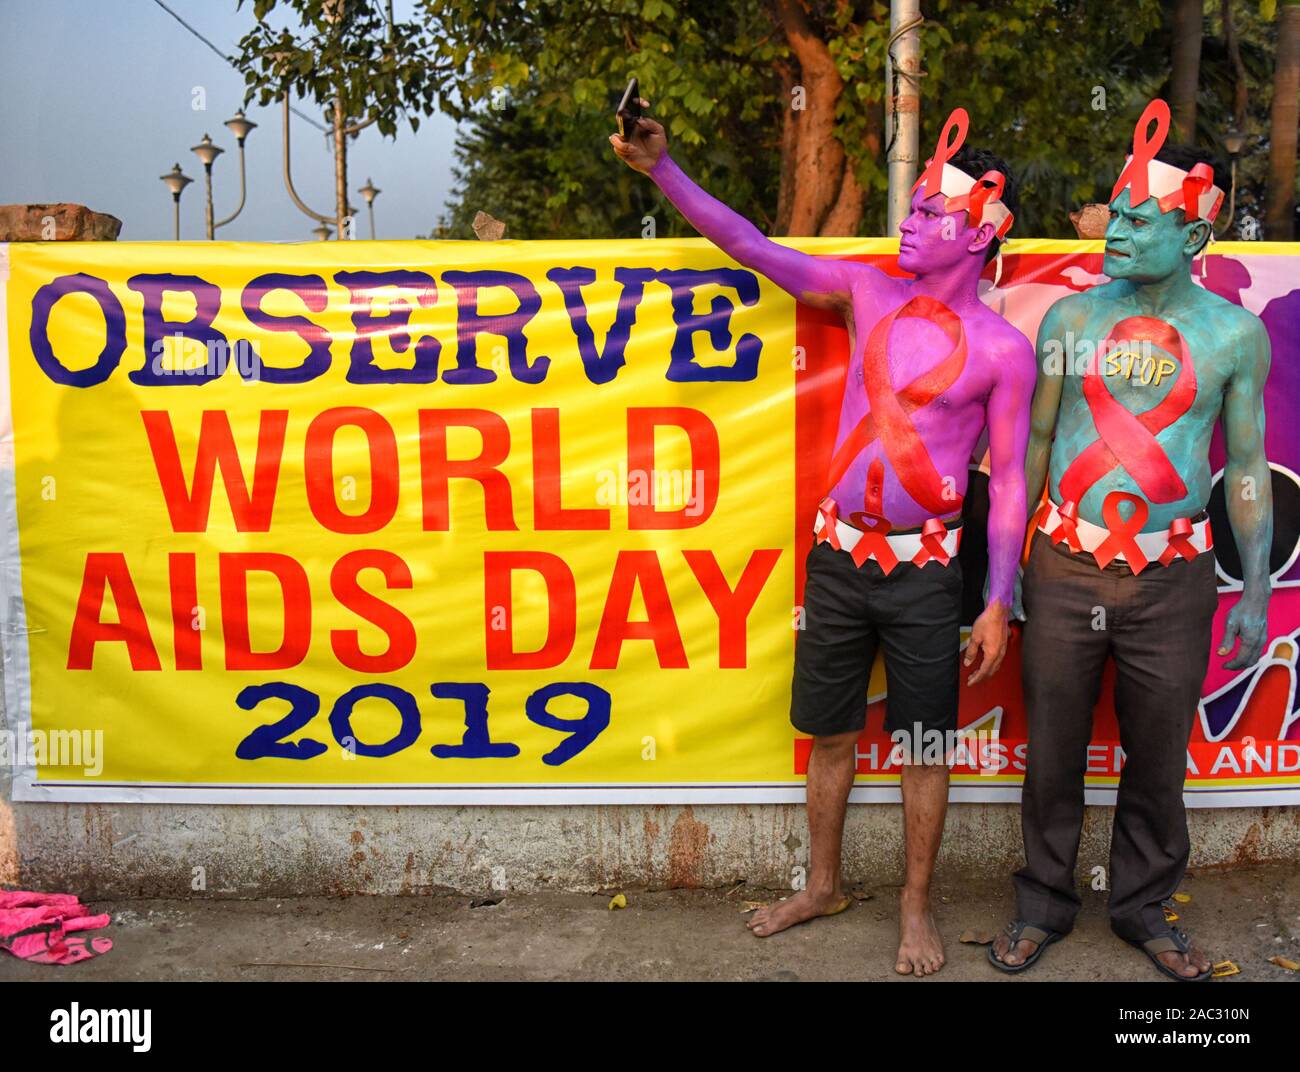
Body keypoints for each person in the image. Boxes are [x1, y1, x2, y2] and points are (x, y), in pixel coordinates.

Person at [611, 102, 1035, 975]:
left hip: (929, 572)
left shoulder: (1003, 350)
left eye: (929, 213)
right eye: (911, 208)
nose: (908, 222)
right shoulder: (866, 290)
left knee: (924, 747)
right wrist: (662, 170)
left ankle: (915, 906)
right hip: (837, 559)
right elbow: (750, 245)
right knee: (830, 733)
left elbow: (1010, 486)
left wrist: (999, 598)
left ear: (979, 233)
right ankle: (823, 885)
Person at [990, 99, 1273, 982]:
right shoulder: (1069, 323)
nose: (1115, 231)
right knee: (1053, 752)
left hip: (1175, 577)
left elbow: (1248, 467)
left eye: (1139, 221)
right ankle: (1043, 902)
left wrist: (1255, 588)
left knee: (1157, 757)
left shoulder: (1235, 335)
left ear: (1194, 237)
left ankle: (1145, 907)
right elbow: (1036, 442)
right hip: (1065, 566)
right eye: (1115, 215)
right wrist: (1012, 567)